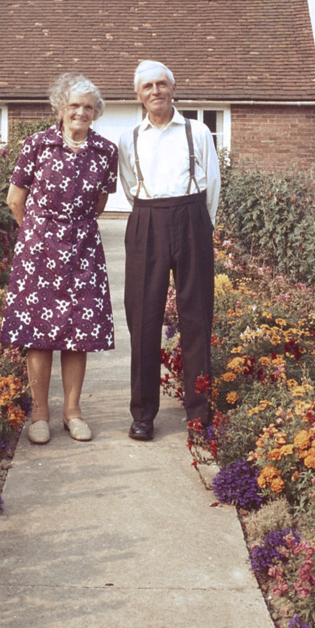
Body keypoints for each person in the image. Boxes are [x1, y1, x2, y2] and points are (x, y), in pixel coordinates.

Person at [1, 73, 119, 445]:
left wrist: (71, 231)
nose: (80, 112)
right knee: (38, 333)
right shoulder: (37, 145)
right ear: (60, 108)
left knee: (77, 333)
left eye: (87, 107)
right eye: (74, 105)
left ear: (95, 112)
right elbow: (15, 199)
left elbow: (100, 203)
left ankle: (72, 411)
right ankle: (39, 413)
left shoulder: (106, 152)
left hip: (82, 250)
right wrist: (37, 235)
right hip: (38, 249)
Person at [117, 60, 221, 441]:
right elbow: (130, 186)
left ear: (173, 89)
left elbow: (212, 184)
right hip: (147, 221)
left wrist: (197, 222)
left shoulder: (198, 131)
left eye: (162, 84)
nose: (156, 91)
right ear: (138, 95)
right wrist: (153, 216)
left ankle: (199, 413)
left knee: (196, 317)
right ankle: (143, 415)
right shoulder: (130, 138)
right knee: (143, 319)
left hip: (192, 216)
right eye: (148, 87)